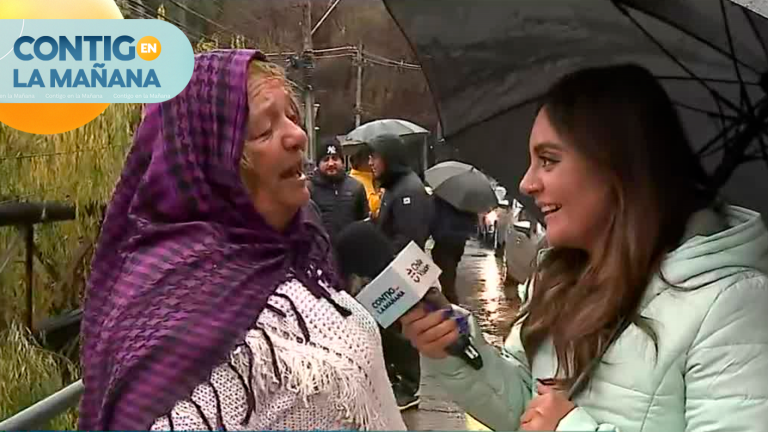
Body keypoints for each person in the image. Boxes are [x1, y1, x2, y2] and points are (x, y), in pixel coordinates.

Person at [400, 64, 768, 432]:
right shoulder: (559, 275)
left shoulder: (732, 305)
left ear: (618, 167)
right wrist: (457, 351)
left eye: (548, 160)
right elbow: (529, 411)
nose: (526, 184)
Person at [78, 49, 405, 431]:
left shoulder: (303, 249)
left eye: (292, 118)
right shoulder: (171, 314)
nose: (298, 136)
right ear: (209, 163)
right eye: (265, 129)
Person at [368, 133, 434, 411]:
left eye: (375, 157)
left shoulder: (409, 191)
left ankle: (409, 387)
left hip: (402, 272)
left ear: (390, 158)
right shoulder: (396, 188)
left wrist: (384, 260)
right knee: (388, 330)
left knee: (400, 332)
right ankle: (398, 381)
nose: (371, 163)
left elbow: (409, 237)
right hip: (392, 271)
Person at [309, 138, 369, 242]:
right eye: (326, 159)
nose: (331, 163)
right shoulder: (308, 189)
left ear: (342, 161)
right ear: (318, 164)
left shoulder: (356, 188)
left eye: (335, 158)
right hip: (320, 252)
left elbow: (363, 223)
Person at [430, 196, 477, 304]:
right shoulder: (468, 202)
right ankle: (450, 304)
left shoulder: (441, 198)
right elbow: (472, 222)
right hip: (458, 242)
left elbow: (432, 217)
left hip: (445, 241)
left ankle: (452, 307)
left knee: (446, 280)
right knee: (449, 274)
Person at [349, 145, 382, 220]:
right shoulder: (357, 180)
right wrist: (382, 194)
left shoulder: (369, 177)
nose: (371, 163)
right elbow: (371, 206)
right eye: (369, 159)